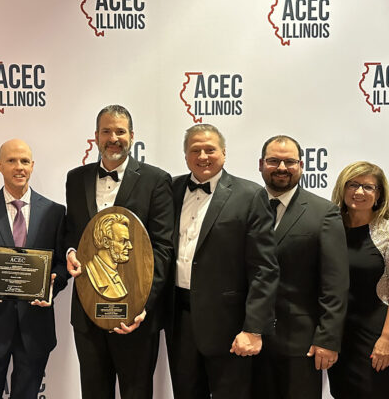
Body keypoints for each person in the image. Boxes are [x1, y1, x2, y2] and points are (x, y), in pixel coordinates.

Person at [65, 104, 174, 398]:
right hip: (87, 313)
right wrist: (70, 251)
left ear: (132, 136)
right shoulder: (75, 178)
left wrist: (143, 305)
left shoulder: (156, 180)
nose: (113, 137)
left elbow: (163, 249)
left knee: (137, 392)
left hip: (136, 317)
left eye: (120, 131)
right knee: (93, 391)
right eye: (106, 131)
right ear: (96, 136)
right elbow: (72, 231)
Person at [165, 124, 279, 399]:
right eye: (195, 150)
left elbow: (264, 268)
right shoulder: (171, 189)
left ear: (224, 154)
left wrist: (253, 328)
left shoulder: (250, 195)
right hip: (179, 319)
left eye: (210, 149)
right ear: (185, 156)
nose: (203, 156)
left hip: (229, 324)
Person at [0, 139, 67, 399]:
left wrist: (53, 284)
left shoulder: (54, 212)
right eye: (11, 161)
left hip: (35, 328)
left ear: (32, 166)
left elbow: (62, 264)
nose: (19, 167)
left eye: (25, 161)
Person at [252, 135, 349, 399]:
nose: (281, 167)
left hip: (301, 342)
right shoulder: (244, 204)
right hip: (250, 339)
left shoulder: (323, 212)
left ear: (302, 166)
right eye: (273, 161)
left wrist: (328, 339)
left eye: (289, 162)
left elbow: (335, 283)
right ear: (261, 164)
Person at [328, 161, 389, 398]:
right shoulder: (330, 227)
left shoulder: (386, 233)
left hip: (376, 336)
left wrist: (386, 339)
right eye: (353, 185)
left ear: (379, 194)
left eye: (368, 187)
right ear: (342, 189)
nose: (359, 192)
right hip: (337, 336)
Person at [85, 213, 132, 300]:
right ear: (106, 242)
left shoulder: (115, 274)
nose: (130, 246)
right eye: (123, 241)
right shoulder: (92, 272)